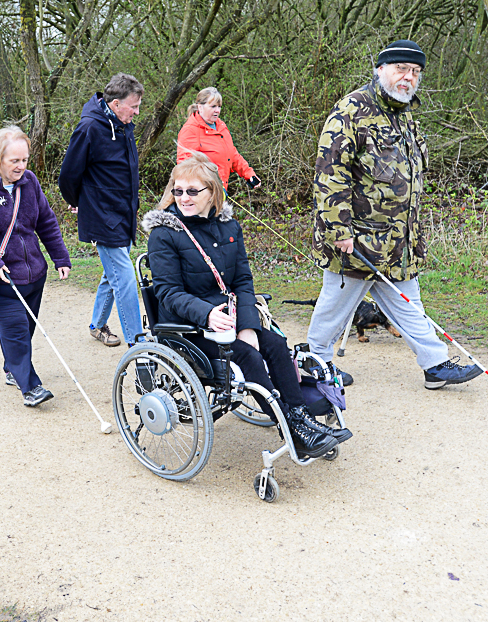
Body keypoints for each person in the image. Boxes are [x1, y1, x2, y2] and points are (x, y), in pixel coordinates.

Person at [142, 153, 350, 458]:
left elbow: (243, 281)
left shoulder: (229, 227)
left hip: (232, 318)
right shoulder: (164, 235)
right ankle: (292, 430)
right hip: (190, 327)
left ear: (212, 192)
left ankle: (301, 419)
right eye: (178, 190)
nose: (183, 198)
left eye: (192, 191)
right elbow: (168, 292)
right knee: (250, 358)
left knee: (276, 345)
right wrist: (208, 315)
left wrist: (249, 326)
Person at [308, 39, 481, 390]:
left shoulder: (405, 116)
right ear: (381, 70)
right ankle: (316, 362)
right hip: (356, 238)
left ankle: (435, 365)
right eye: (401, 69)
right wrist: (339, 230)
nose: (408, 78)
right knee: (335, 306)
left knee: (408, 302)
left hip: (398, 240)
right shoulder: (351, 110)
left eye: (415, 72)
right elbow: (330, 174)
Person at [0, 126, 72, 407]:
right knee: (17, 329)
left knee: (27, 327)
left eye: (24, 160)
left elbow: (46, 221)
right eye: (14, 161)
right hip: (2, 279)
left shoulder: (30, 182)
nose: (21, 166)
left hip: (34, 273)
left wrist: (60, 258)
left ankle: (12, 367)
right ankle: (30, 387)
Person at [59, 73, 145, 348]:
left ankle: (97, 325)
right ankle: (138, 344)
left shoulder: (122, 124)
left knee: (113, 274)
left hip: (124, 213)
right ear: (117, 103)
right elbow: (68, 175)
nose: (137, 111)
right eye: (133, 106)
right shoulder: (89, 128)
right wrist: (77, 202)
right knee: (126, 279)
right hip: (102, 216)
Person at [176, 86, 260, 191]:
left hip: (220, 192)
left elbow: (232, 154)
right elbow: (185, 168)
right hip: (201, 196)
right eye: (213, 106)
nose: (217, 110)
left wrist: (248, 174)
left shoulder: (221, 126)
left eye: (219, 106)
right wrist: (210, 186)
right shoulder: (190, 130)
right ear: (200, 107)